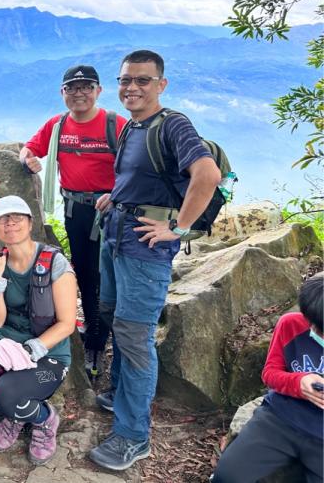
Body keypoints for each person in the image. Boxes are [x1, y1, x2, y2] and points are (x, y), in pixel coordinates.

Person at [88, 49, 221, 471]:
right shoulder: (133, 126)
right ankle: (121, 394)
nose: (133, 87)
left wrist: (178, 228)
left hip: (145, 251)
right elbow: (140, 178)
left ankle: (133, 437)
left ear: (161, 84)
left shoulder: (173, 124)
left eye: (143, 80)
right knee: (114, 317)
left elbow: (207, 175)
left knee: (134, 336)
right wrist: (115, 197)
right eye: (126, 80)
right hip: (117, 236)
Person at [0, 195, 77, 465]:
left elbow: (67, 323)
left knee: (5, 395)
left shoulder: (54, 262)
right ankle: (19, 407)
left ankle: (42, 418)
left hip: (48, 355)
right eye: (2, 219)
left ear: (30, 223)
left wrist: (31, 350)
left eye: (16, 217)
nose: (10, 223)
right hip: (2, 345)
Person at [20, 64, 127, 379]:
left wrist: (117, 195)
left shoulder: (115, 124)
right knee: (86, 275)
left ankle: (104, 338)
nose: (79, 93)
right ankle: (94, 336)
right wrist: (27, 159)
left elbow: (136, 167)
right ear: (62, 92)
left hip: (111, 212)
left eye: (86, 87)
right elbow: (30, 148)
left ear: (98, 91)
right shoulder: (57, 126)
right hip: (75, 211)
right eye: (72, 88)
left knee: (108, 277)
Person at [212, 272, 324, 482]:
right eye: (313, 323)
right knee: (227, 476)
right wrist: (298, 383)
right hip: (280, 418)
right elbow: (270, 374)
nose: (315, 332)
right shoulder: (290, 324)